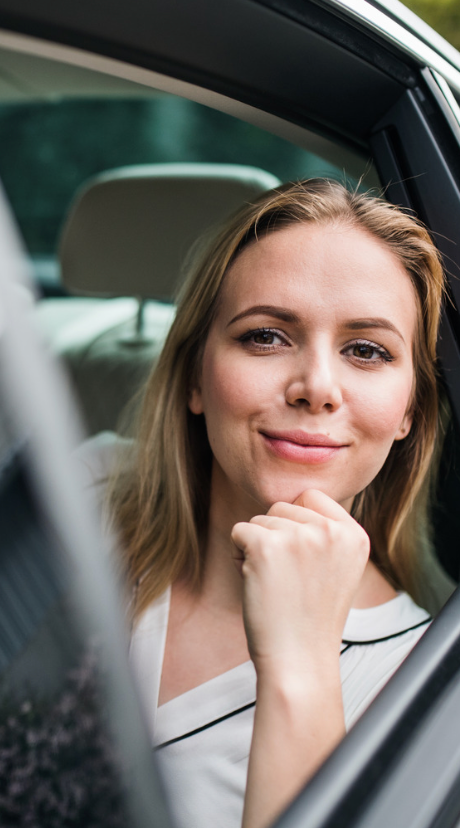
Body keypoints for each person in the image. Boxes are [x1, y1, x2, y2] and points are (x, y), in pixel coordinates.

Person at [84, 179, 454, 828]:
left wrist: (303, 670)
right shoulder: (79, 492)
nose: (316, 386)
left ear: (408, 413)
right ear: (196, 375)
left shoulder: (426, 686)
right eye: (265, 336)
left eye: (366, 350)